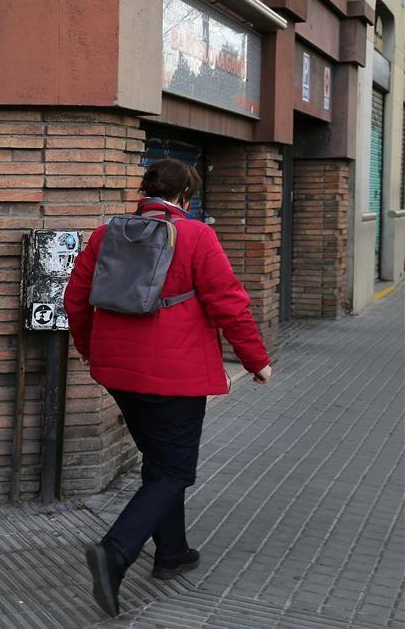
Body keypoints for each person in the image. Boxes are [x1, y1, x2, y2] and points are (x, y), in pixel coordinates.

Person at [63, 158, 273, 617]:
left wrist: (87, 349)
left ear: (145, 191)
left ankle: (172, 552)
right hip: (175, 379)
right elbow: (229, 305)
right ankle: (115, 553)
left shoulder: (106, 235)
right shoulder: (198, 236)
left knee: (160, 462)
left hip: (117, 372)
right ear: (185, 198)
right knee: (176, 470)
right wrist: (256, 360)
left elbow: (74, 298)